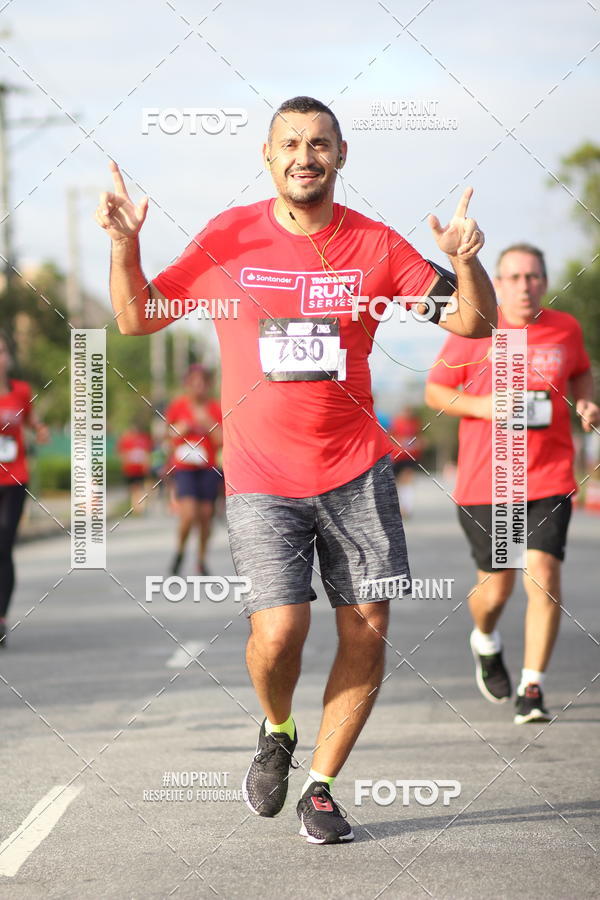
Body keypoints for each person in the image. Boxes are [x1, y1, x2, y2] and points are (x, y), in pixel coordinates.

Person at [95, 95, 496, 844]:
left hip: (357, 471)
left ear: (341, 156)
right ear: (267, 156)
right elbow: (136, 316)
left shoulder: (376, 247)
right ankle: (277, 728)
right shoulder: (230, 236)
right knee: (279, 633)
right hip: (260, 475)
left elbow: (473, 323)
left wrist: (468, 265)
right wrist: (124, 246)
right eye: (290, 143)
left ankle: (321, 786)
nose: (304, 155)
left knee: (368, 629)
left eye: (319, 143)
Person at [425, 243, 599, 724]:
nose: (526, 285)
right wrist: (486, 407)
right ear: (498, 284)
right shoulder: (476, 326)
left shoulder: (565, 328)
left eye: (534, 276)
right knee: (497, 590)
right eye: (515, 277)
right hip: (490, 481)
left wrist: (586, 403)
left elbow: (582, 373)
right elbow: (436, 390)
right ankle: (484, 638)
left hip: (548, 476)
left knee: (543, 575)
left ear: (545, 281)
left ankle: (532, 686)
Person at [0, 331, 49, 646]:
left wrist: (40, 430)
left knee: (3, 545)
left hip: (15, 478)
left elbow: (32, 422)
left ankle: (1, 617)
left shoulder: (21, 391)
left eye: (3, 350)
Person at [164, 364, 222, 575]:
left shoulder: (214, 408)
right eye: (194, 382)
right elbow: (167, 436)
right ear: (187, 385)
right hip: (185, 467)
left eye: (203, 382)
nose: (198, 386)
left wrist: (208, 424)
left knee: (206, 514)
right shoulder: (178, 407)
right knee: (188, 513)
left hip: (208, 467)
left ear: (208, 385)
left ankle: (201, 558)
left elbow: (222, 440)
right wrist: (182, 429)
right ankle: (180, 550)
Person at [389, 405, 425, 517]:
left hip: (410, 456)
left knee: (407, 481)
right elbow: (389, 437)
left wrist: (419, 443)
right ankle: (397, 507)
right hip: (396, 456)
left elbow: (419, 437)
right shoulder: (396, 422)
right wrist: (399, 443)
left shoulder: (415, 423)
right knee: (396, 483)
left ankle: (406, 509)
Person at [116, 421, 153, 514]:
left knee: (139, 488)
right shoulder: (125, 440)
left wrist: (146, 465)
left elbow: (147, 454)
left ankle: (139, 507)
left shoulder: (143, 439)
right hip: (130, 469)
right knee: (133, 488)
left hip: (140, 469)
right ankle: (135, 507)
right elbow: (121, 454)